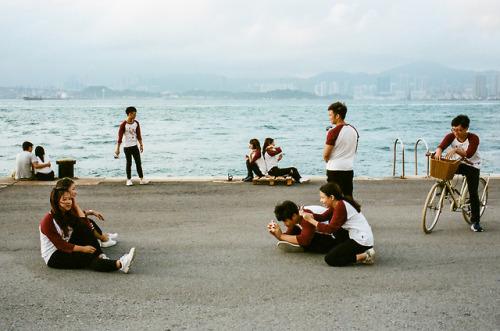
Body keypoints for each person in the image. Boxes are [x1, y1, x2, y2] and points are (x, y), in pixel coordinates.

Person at [40, 187, 136, 273]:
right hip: (54, 256)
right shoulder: (48, 221)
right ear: (56, 202)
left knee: (84, 228)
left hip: (67, 244)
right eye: (64, 200)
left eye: (70, 199)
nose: (68, 202)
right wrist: (83, 249)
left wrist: (77, 204)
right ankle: (120, 264)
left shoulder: (66, 213)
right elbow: (61, 245)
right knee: (87, 257)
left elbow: (84, 222)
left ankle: (101, 256)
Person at [268, 194, 374, 266]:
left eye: (285, 221)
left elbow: (305, 240)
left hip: (338, 236)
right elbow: (290, 231)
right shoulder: (299, 214)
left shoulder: (305, 217)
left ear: (294, 216)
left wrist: (281, 236)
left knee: (309, 242)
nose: (285, 224)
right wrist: (277, 234)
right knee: (297, 231)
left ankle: (365, 255)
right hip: (332, 232)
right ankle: (300, 245)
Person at [434, 115, 483, 232]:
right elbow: (441, 146)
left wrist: (455, 150)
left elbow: (469, 153)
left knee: (473, 194)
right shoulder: (451, 136)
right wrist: (438, 152)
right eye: (454, 130)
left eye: (459, 130)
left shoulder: (473, 138)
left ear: (466, 129)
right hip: (458, 163)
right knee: (444, 168)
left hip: (472, 165)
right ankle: (444, 188)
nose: (456, 133)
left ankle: (476, 221)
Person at [56, 177, 118, 247]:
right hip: (70, 234)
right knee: (87, 223)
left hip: (71, 228)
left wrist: (92, 212)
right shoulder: (65, 204)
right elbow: (81, 218)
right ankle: (103, 239)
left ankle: (102, 236)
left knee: (88, 222)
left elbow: (78, 213)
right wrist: (74, 201)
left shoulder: (64, 201)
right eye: (73, 189)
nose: (75, 192)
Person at [324, 102, 359, 198]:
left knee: (333, 197)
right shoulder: (353, 130)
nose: (329, 117)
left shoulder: (333, 132)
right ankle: (351, 212)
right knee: (348, 195)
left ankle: (336, 213)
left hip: (334, 169)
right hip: (348, 168)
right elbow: (354, 149)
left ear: (337, 116)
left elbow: (326, 154)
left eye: (330, 115)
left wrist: (328, 161)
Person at [115, 106, 150, 186]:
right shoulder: (123, 125)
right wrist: (117, 149)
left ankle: (141, 179)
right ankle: (129, 180)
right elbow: (119, 138)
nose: (135, 115)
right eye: (134, 114)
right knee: (129, 163)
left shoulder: (136, 123)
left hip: (135, 145)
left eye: (135, 114)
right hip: (127, 146)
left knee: (138, 162)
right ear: (129, 114)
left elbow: (139, 135)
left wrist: (141, 145)